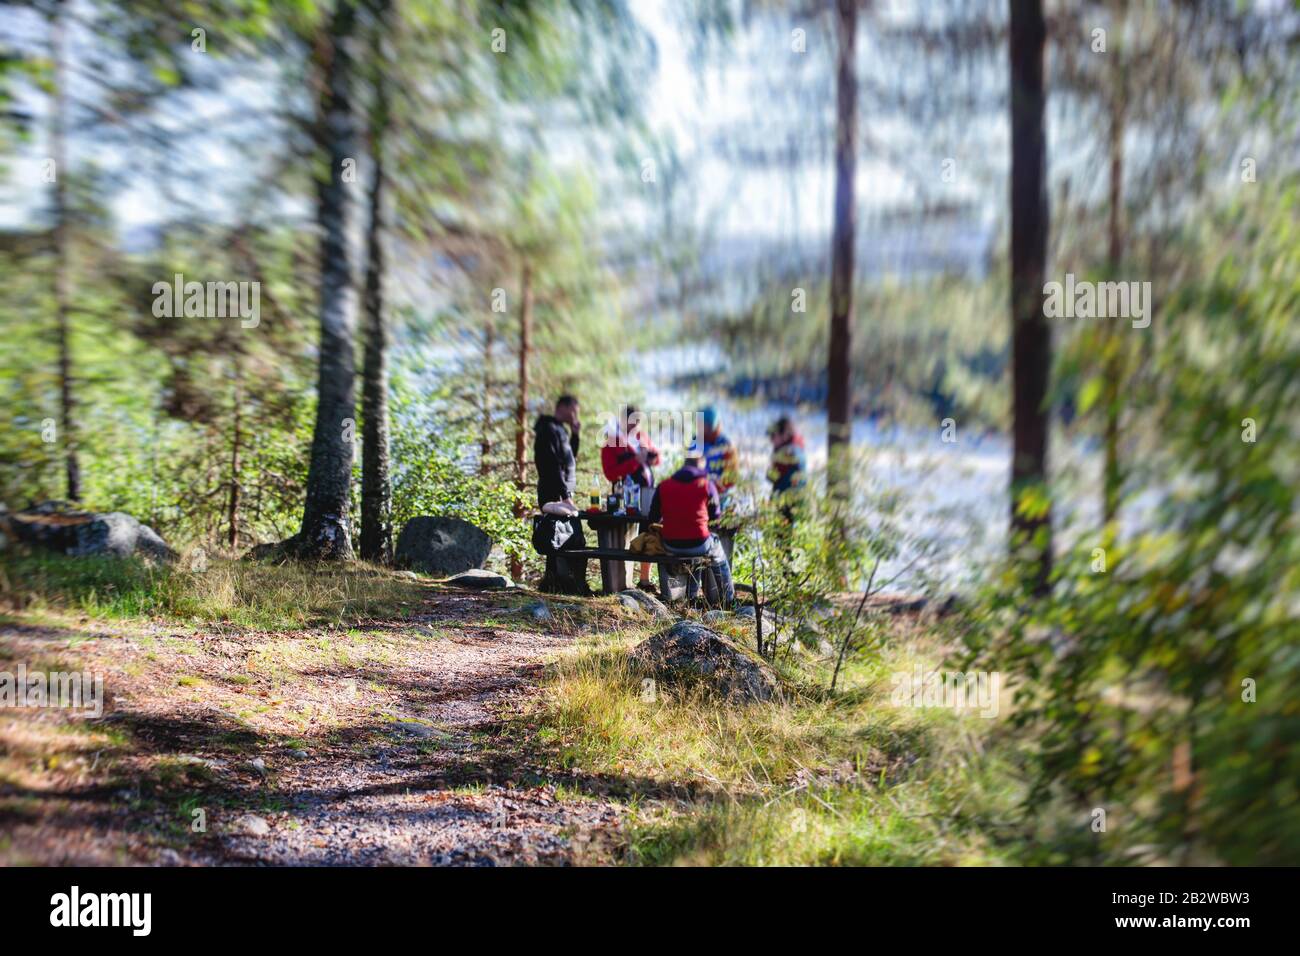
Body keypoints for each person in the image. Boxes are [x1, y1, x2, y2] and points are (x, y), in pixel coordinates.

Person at [648, 452, 736, 605]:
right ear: (701, 465)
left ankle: (692, 597)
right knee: (714, 546)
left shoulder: (664, 485)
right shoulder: (706, 485)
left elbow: (653, 518)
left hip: (670, 544)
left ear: (684, 465)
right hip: (699, 544)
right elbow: (716, 515)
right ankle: (728, 599)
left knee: (699, 551)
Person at [601, 405, 660, 591]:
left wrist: (650, 456)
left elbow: (657, 458)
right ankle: (620, 580)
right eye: (633, 421)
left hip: (648, 494)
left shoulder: (641, 436)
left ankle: (644, 580)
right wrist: (635, 461)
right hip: (625, 496)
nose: (636, 425)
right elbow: (610, 473)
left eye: (638, 421)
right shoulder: (612, 441)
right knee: (625, 534)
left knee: (649, 531)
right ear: (623, 420)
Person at [534, 394, 589, 594]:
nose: (576, 414)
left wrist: (575, 435)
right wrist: (565, 495)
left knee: (569, 538)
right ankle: (559, 583)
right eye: (574, 409)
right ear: (563, 407)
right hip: (553, 493)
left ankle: (568, 583)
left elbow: (568, 459)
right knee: (559, 538)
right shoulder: (548, 429)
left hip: (562, 493)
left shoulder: (560, 430)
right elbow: (552, 464)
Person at [698, 405, 739, 512]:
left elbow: (731, 479)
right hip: (697, 495)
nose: (699, 427)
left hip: (719, 500)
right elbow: (688, 468)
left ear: (712, 425)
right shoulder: (697, 441)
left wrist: (710, 486)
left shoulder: (727, 446)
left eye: (702, 424)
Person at [767, 415, 807, 519]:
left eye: (773, 436)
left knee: (783, 532)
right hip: (789, 501)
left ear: (783, 435)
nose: (771, 440)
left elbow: (774, 476)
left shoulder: (790, 452)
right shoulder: (792, 448)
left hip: (788, 504)